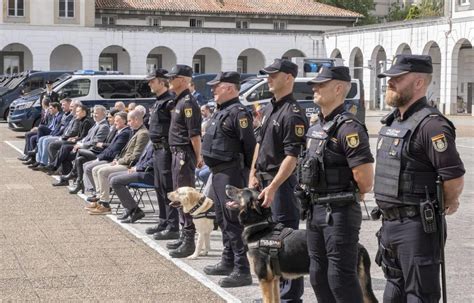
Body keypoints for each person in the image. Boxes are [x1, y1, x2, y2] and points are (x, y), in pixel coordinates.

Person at [374, 54, 465, 302]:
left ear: (418, 83)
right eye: (389, 78)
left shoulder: (432, 126)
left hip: (416, 227)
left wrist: (447, 201)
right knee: (393, 295)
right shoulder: (394, 122)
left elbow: (453, 177)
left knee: (420, 296)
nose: (389, 83)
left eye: (397, 79)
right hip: (390, 226)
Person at [302, 66, 374, 302]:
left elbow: (365, 180)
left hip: (339, 211)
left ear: (339, 88)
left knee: (340, 278)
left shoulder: (349, 128)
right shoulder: (315, 127)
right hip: (315, 210)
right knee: (317, 275)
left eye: (321, 84)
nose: (315, 88)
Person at [248, 59, 308, 302]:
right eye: (268, 75)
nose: (269, 79)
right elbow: (260, 144)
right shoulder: (269, 108)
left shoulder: (293, 113)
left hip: (281, 185)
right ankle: (274, 295)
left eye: (274, 74)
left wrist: (273, 186)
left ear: (289, 78)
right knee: (269, 241)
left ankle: (290, 297)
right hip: (264, 181)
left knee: (285, 239)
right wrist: (253, 173)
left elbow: (292, 156)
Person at [202, 72, 256, 288]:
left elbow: (250, 146)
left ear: (231, 88)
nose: (213, 90)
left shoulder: (239, 113)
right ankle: (228, 260)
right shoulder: (221, 111)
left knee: (233, 221)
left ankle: (242, 270)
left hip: (231, 170)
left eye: (217, 86)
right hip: (217, 172)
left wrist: (249, 176)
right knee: (222, 220)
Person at [165, 64, 202, 258]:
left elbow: (194, 135)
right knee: (178, 196)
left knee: (185, 196)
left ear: (183, 80)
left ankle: (189, 238)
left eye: (173, 78)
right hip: (176, 153)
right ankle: (183, 233)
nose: (169, 81)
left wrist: (198, 157)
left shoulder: (188, 102)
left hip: (184, 154)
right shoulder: (178, 101)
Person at [87, 109, 149, 215]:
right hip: (124, 162)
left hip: (130, 165)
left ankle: (105, 204)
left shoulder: (142, 133)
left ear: (136, 119)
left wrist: (119, 161)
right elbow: (126, 152)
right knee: (96, 169)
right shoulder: (136, 131)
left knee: (102, 171)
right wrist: (117, 159)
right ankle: (100, 199)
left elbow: (135, 156)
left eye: (129, 121)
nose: (128, 124)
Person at [143, 68, 180, 240]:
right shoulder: (158, 101)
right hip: (157, 149)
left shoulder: (170, 102)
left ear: (161, 81)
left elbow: (176, 127)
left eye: (152, 80)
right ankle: (164, 220)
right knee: (159, 186)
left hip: (166, 149)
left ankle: (173, 226)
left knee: (168, 187)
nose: (149, 83)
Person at [82, 111, 131, 202]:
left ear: (124, 121)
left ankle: (101, 195)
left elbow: (114, 150)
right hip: (110, 157)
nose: (114, 122)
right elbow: (110, 148)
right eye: (115, 120)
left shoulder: (125, 133)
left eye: (117, 120)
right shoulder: (118, 131)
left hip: (112, 159)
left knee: (91, 168)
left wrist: (99, 158)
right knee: (85, 163)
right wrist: (99, 157)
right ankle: (98, 193)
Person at [109, 143, 155, 223]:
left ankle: (134, 210)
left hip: (149, 174)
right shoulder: (151, 139)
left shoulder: (158, 140)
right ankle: (129, 208)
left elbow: (154, 161)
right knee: (111, 176)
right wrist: (134, 167)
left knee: (115, 181)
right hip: (142, 171)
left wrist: (138, 168)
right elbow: (142, 159)